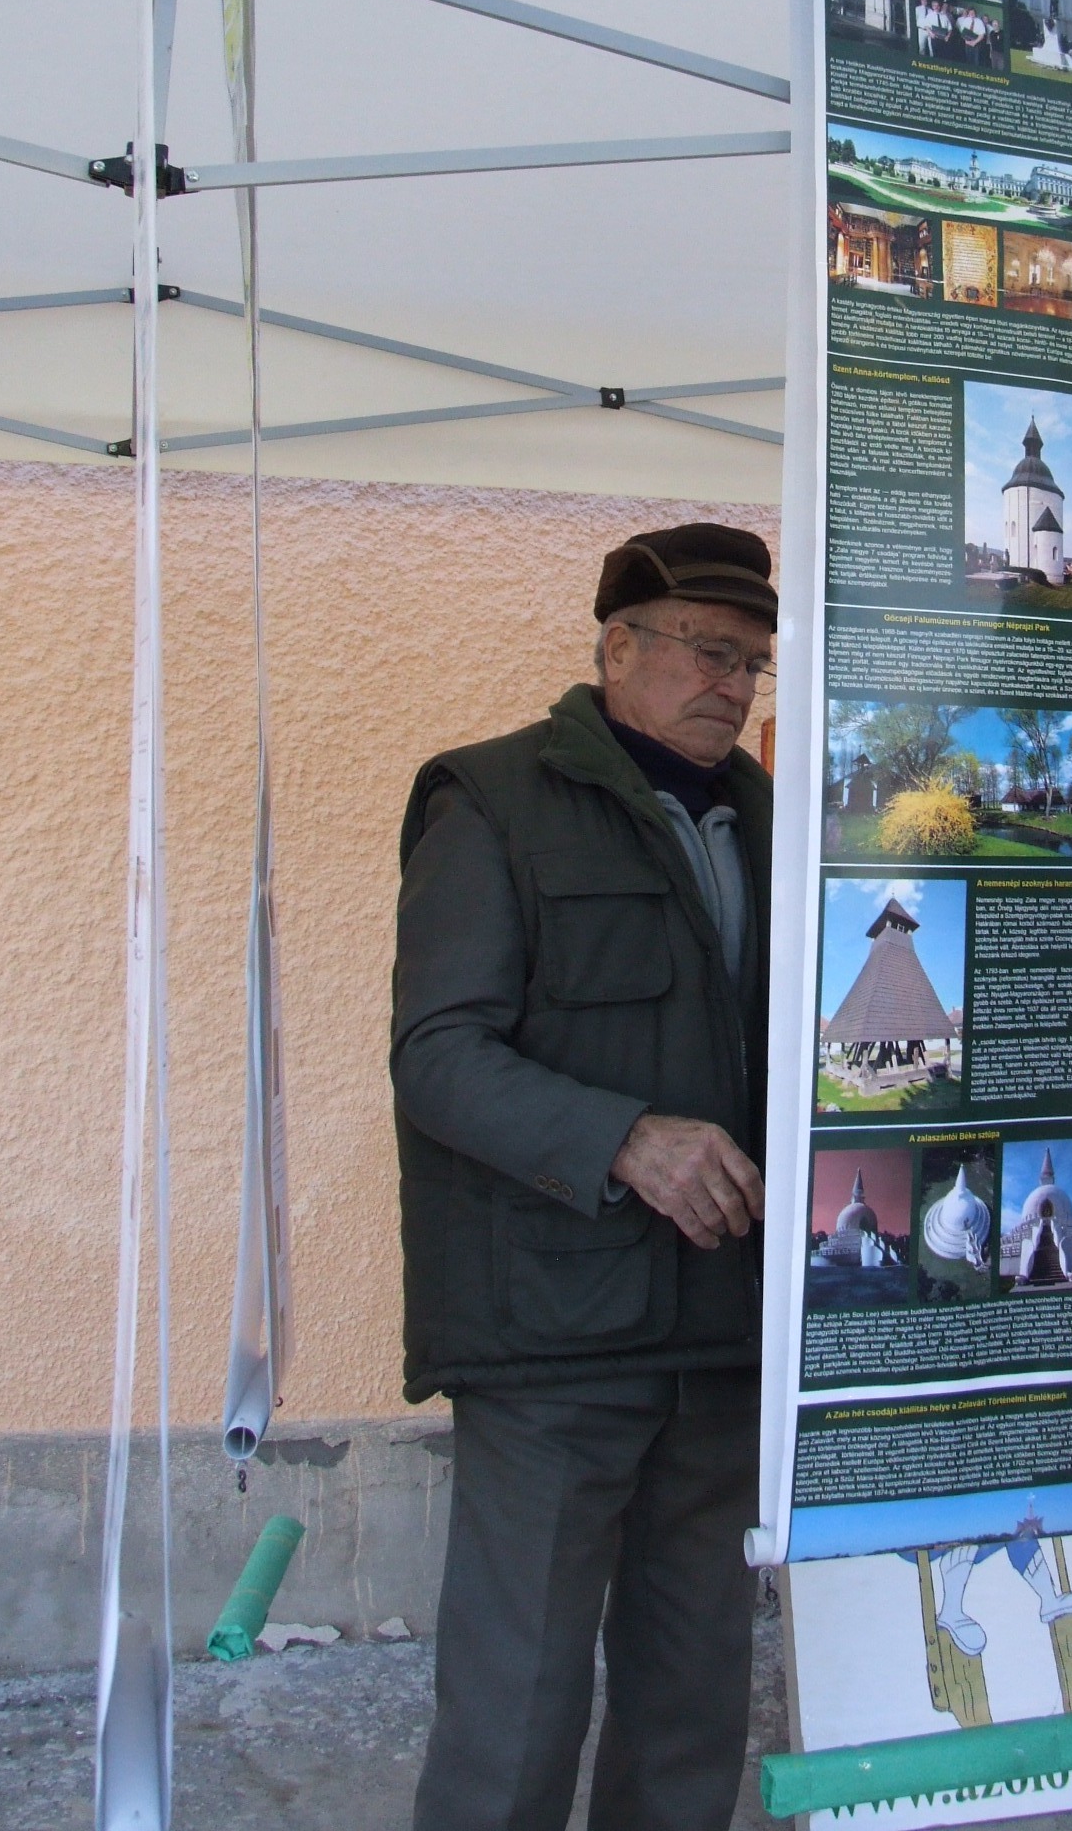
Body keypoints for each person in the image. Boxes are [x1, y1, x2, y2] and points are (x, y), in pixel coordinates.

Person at [391, 523, 778, 1831]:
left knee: (693, 1703)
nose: (733, 683)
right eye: (710, 651)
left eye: (753, 661)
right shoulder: (490, 799)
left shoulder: (778, 819)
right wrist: (625, 1138)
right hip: (555, 1340)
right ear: (618, 647)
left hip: (723, 1330)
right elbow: (439, 1057)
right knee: (516, 1713)